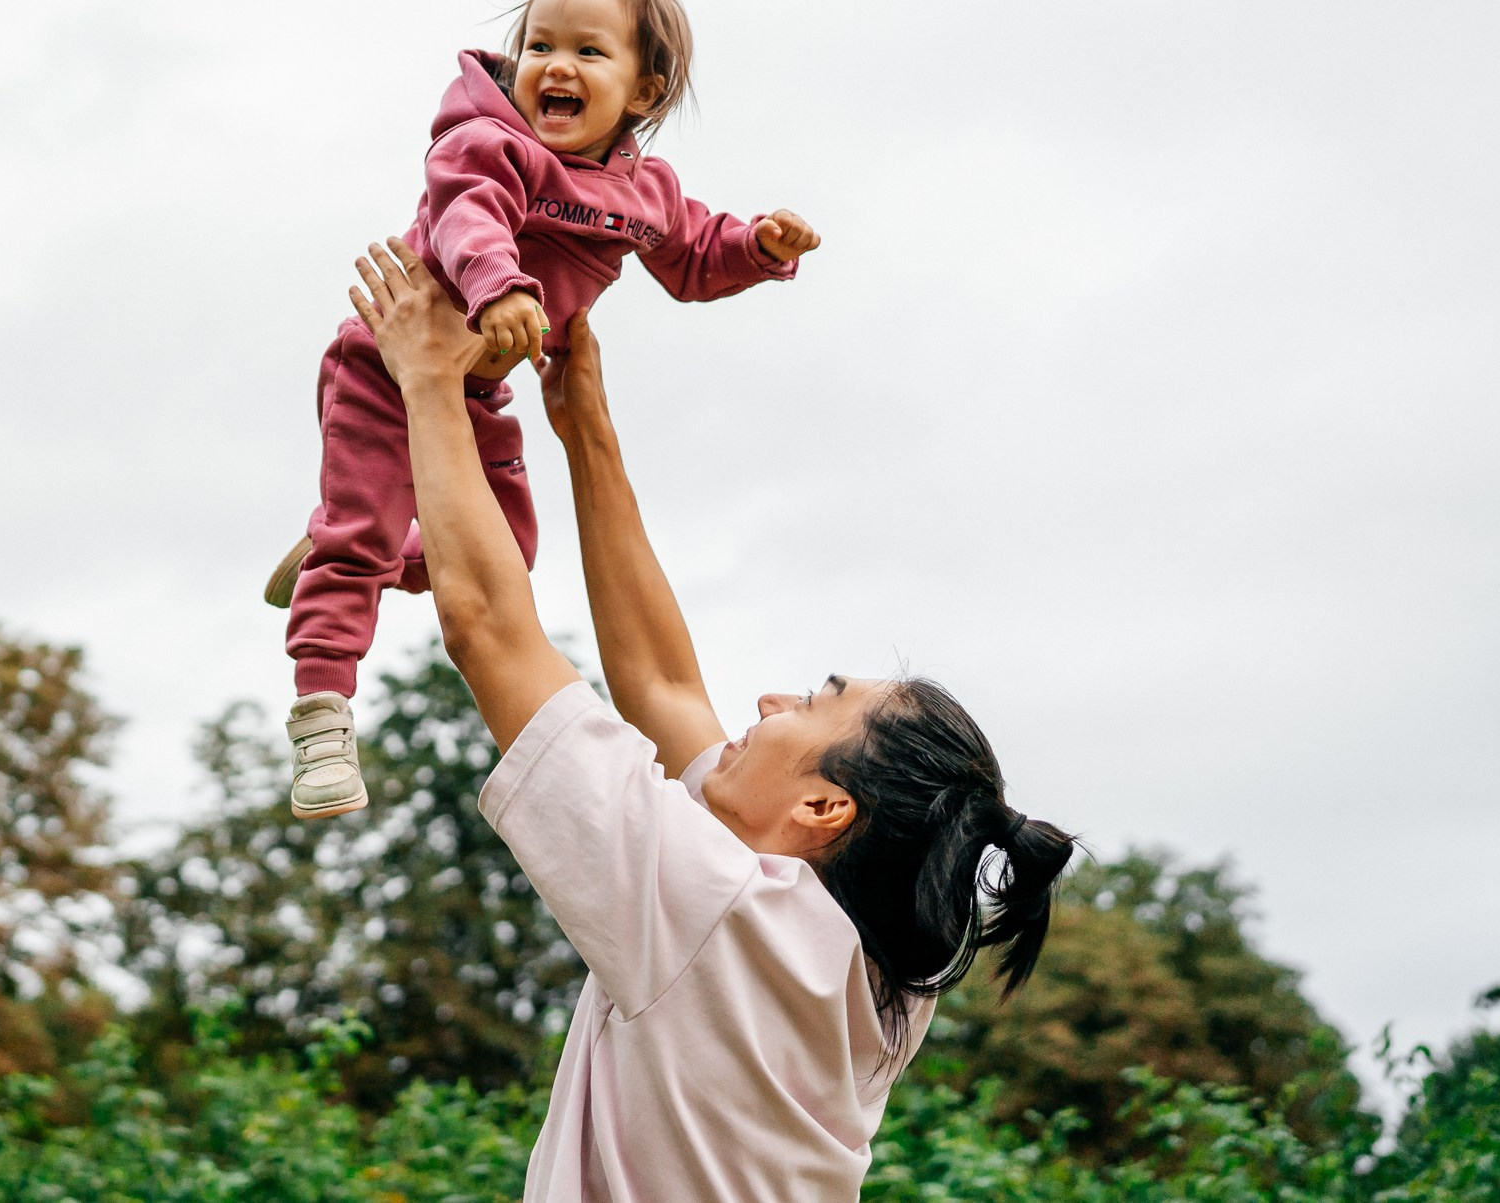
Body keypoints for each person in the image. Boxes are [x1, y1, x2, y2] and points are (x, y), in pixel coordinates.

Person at [344, 238, 1075, 1203]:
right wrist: (585, 427)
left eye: (813, 702)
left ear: (824, 808)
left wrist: (429, 379)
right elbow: (659, 685)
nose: (768, 701)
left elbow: (487, 628)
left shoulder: (721, 911)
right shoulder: (881, 976)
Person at [274, 0, 822, 819]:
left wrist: (759, 248)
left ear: (644, 91)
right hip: (392, 367)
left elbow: (691, 257)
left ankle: (359, 552)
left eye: (588, 52)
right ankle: (322, 712)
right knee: (361, 542)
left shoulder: (644, 190)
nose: (554, 66)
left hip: (479, 393)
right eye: (538, 45)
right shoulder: (487, 145)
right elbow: (469, 215)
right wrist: (500, 287)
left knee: (509, 554)